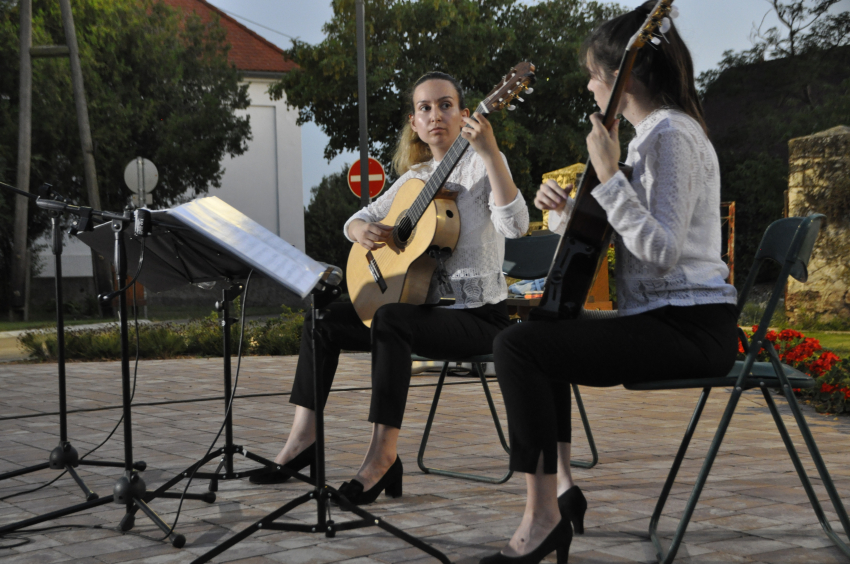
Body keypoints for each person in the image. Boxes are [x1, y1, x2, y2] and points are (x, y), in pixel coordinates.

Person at [483, 3, 739, 563]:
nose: (592, 88)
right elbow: (617, 231)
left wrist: (604, 174)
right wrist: (565, 211)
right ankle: (563, 494)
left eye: (595, 76)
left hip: (689, 327)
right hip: (668, 320)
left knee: (518, 347)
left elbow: (663, 252)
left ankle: (543, 516)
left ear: (627, 78)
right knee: (545, 328)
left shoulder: (669, 135)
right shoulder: (655, 135)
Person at [251, 71, 529, 506]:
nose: (435, 114)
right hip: (417, 310)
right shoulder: (415, 178)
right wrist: (362, 229)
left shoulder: (481, 165)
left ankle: (382, 457)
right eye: (424, 108)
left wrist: (491, 153)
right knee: (323, 316)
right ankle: (301, 443)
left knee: (389, 320)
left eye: (445, 104)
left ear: (464, 114)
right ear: (414, 123)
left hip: (477, 318)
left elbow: (516, 225)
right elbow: (355, 220)